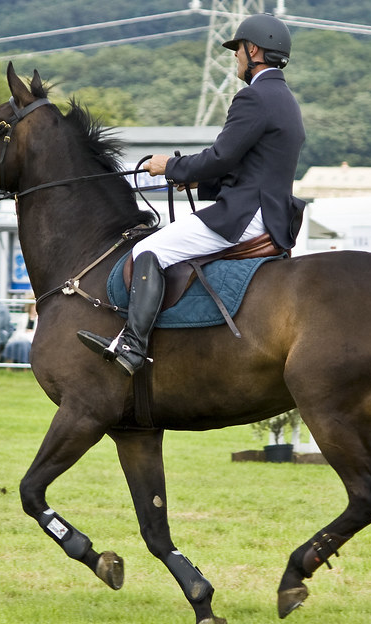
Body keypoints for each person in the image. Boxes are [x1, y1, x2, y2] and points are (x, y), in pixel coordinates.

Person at [78, 13, 305, 375]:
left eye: (238, 51)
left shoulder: (254, 97)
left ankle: (133, 346)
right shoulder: (285, 99)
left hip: (245, 216)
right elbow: (250, 169)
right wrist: (199, 182)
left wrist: (170, 166)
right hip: (271, 213)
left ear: (254, 50)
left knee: (148, 249)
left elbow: (220, 157)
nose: (235, 58)